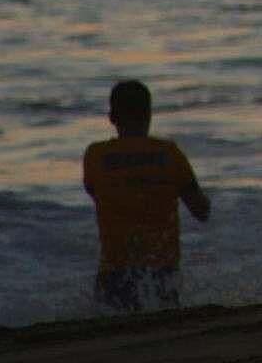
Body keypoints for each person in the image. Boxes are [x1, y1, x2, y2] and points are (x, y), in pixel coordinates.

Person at [82, 79, 212, 311]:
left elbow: (95, 192)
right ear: (149, 115)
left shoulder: (96, 156)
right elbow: (201, 211)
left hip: (114, 272)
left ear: (112, 118)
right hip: (161, 271)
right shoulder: (170, 153)